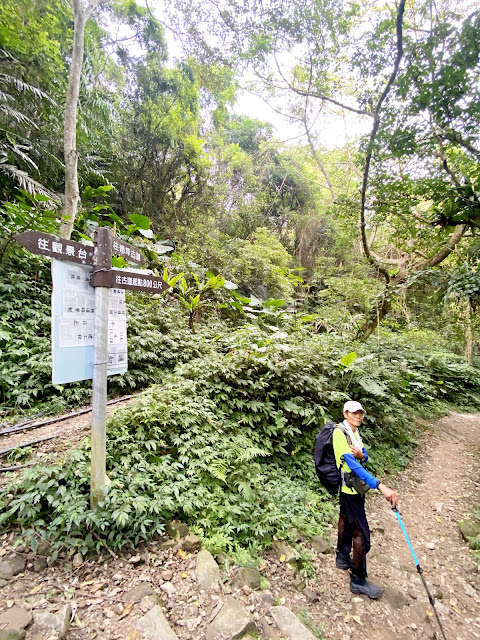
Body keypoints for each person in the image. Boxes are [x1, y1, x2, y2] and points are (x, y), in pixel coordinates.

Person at [333, 400, 398, 599]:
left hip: (352, 490)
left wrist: (363, 454)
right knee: (361, 535)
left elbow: (364, 456)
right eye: (353, 413)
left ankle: (342, 556)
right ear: (345, 413)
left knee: (345, 518)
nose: (358, 416)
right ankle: (358, 579)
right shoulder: (339, 433)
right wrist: (380, 485)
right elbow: (354, 465)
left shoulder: (354, 432)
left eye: (360, 413)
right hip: (350, 489)